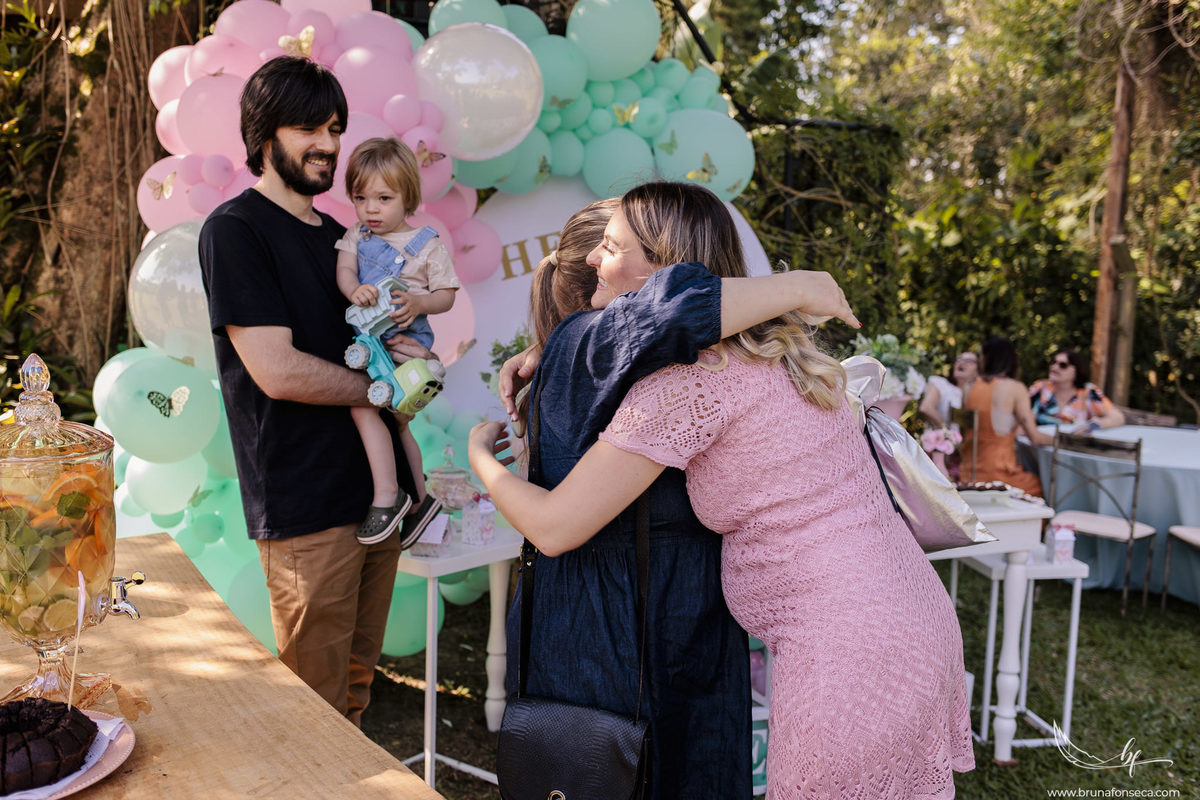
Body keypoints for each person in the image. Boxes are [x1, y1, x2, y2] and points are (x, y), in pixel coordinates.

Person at [470, 181, 973, 799]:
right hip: (913, 613)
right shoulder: (777, 351)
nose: (591, 261)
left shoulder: (689, 384)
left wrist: (481, 460)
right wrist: (549, 349)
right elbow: (624, 346)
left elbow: (553, 527)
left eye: (610, 245)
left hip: (850, 654)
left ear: (667, 276)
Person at [198, 57, 422, 726]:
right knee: (313, 712)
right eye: (307, 128)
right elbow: (278, 370)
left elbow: (372, 344)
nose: (327, 144)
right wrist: (382, 391)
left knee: (354, 695)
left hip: (376, 502)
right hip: (304, 507)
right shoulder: (236, 231)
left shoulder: (342, 239)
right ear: (264, 134)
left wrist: (408, 371)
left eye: (334, 127)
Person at [336, 137, 457, 545]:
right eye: (361, 197)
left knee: (399, 419)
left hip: (406, 342)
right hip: (370, 338)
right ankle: (410, 498)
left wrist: (419, 302)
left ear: (408, 197)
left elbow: (446, 294)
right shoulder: (355, 236)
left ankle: (398, 497)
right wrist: (354, 290)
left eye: (383, 198)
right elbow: (345, 272)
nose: (371, 209)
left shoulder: (426, 243)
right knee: (368, 410)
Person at [962, 335, 1054, 495]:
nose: (979, 360)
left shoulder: (968, 387)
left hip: (968, 471)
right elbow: (1036, 438)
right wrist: (1063, 441)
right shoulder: (1015, 388)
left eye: (981, 356)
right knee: (1039, 486)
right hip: (999, 475)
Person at [1029, 347, 1126, 432]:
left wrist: (1095, 425)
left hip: (1070, 448)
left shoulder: (1088, 392)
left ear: (1076, 370)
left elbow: (1118, 417)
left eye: (1062, 365)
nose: (1054, 367)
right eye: (1054, 362)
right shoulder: (1040, 388)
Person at [919, 350, 978, 428]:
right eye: (959, 359)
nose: (962, 363)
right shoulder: (941, 384)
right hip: (942, 439)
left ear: (978, 370)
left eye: (969, 361)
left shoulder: (979, 395)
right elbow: (926, 408)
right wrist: (947, 433)